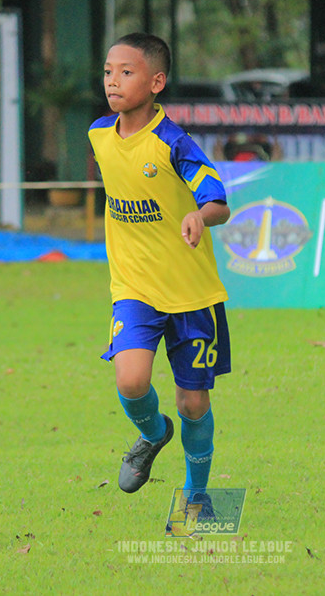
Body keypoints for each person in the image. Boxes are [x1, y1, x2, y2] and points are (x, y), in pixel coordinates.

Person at [88, 33, 231, 518]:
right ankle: (153, 433)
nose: (112, 80)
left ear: (156, 82)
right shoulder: (99, 136)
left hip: (192, 294)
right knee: (130, 381)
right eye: (108, 71)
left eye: (126, 72)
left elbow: (216, 197)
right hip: (134, 290)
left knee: (193, 403)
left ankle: (196, 496)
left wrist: (199, 216)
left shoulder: (174, 141)